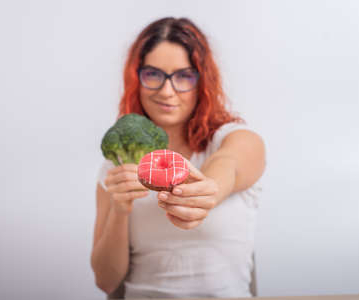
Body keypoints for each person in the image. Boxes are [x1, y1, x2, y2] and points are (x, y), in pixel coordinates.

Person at [91, 17, 266, 299]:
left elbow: (229, 165)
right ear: (137, 77)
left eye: (184, 76)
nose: (167, 90)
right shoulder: (117, 164)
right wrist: (120, 210)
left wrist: (206, 190)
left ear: (202, 81)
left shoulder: (234, 139)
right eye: (153, 74)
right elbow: (106, 282)